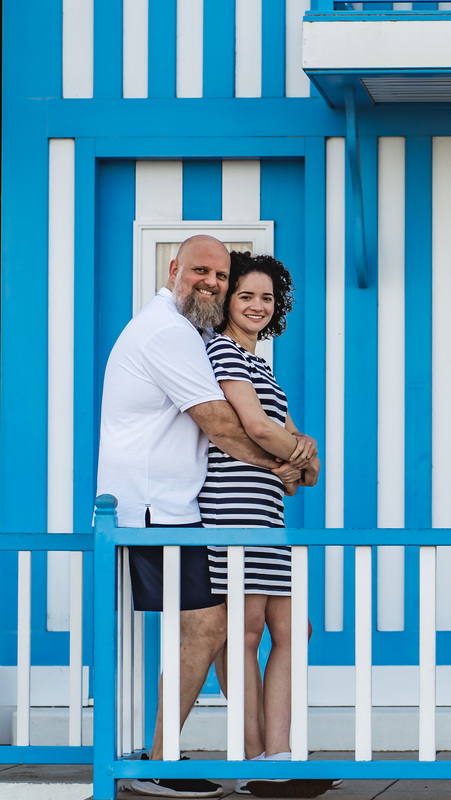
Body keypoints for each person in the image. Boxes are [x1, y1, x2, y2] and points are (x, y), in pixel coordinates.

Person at [97, 235, 309, 799]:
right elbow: (222, 424)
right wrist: (289, 462)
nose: (211, 283)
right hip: (151, 507)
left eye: (220, 275)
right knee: (216, 628)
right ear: (173, 269)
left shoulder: (189, 333)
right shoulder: (169, 332)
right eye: (201, 272)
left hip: (175, 507)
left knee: (214, 628)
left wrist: (290, 461)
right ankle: (160, 762)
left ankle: (173, 757)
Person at [198, 252, 331, 800]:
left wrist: (295, 456)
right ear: (228, 300)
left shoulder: (262, 366)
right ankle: (255, 761)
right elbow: (256, 426)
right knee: (245, 634)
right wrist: (294, 452)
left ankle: (280, 753)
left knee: (293, 631)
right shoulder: (222, 351)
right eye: (246, 295)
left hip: (269, 513)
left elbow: (309, 472)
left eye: (267, 298)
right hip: (232, 509)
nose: (257, 306)